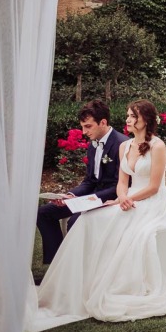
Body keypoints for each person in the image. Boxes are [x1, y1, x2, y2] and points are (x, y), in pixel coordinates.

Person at [37, 100, 166, 321]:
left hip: (152, 200)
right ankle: (78, 278)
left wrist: (123, 201)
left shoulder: (158, 146)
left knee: (130, 230)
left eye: (132, 116)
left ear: (145, 120)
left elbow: (154, 187)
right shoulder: (124, 146)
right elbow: (122, 181)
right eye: (127, 115)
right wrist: (122, 197)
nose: (127, 119)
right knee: (88, 219)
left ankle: (116, 282)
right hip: (128, 196)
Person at [36, 100, 129, 264]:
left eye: (88, 126)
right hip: (90, 196)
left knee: (75, 221)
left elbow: (120, 185)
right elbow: (90, 180)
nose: (83, 131)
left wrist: (83, 200)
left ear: (103, 122)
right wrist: (71, 195)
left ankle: (78, 267)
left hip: (112, 198)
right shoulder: (93, 145)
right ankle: (57, 265)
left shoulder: (122, 144)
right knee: (44, 213)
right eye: (82, 126)